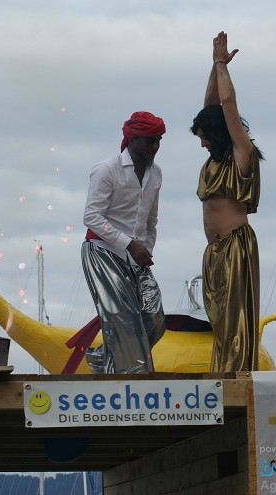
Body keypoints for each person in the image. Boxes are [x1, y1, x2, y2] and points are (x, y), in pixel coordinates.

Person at [191, 31, 264, 372]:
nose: (202, 144)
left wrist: (223, 65)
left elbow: (226, 106)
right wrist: (212, 66)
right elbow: (210, 109)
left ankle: (236, 377)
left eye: (204, 137)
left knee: (236, 324)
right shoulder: (214, 161)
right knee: (218, 323)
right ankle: (221, 373)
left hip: (236, 246)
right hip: (214, 252)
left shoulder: (241, 154)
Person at [81, 112, 167, 373]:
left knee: (154, 318)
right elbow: (90, 216)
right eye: (149, 141)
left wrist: (145, 249)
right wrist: (129, 244)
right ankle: (135, 384)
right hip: (103, 251)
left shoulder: (156, 174)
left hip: (136, 256)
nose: (155, 147)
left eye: (158, 141)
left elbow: (151, 220)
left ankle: (101, 358)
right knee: (125, 322)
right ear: (131, 140)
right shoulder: (108, 169)